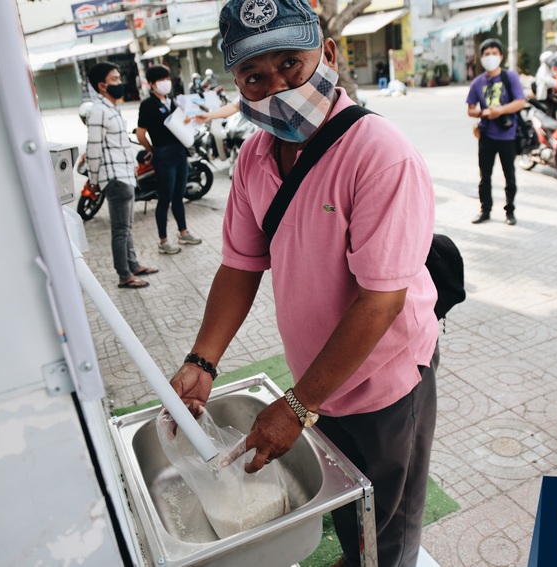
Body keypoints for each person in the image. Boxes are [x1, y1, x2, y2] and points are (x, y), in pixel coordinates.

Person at [168, 0, 440, 564]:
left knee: (388, 511)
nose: (279, 86)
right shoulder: (253, 159)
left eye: (292, 63)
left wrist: (296, 405)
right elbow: (241, 264)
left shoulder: (378, 155)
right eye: (255, 76)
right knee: (345, 502)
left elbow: (380, 301)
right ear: (237, 86)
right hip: (318, 379)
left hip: (383, 378)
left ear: (329, 54)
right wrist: (203, 360)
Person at [85, 62, 156, 289]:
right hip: (114, 178)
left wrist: (139, 157)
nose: (119, 83)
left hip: (125, 175)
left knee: (126, 227)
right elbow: (93, 148)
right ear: (102, 85)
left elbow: (118, 144)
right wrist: (94, 181)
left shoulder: (111, 108)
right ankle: (124, 275)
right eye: (114, 79)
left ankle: (133, 265)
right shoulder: (98, 111)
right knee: (120, 230)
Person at [136, 65, 202, 253]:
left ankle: (183, 232)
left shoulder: (171, 101)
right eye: (161, 80)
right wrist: (152, 150)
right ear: (151, 84)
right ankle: (163, 241)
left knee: (178, 196)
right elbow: (141, 134)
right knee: (164, 198)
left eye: (167, 79)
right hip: (163, 155)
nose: (166, 83)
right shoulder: (147, 105)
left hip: (179, 152)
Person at [466, 38, 527, 226]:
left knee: (509, 175)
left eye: (494, 53)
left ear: (501, 56)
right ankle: (485, 210)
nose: (490, 57)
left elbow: (521, 102)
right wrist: (484, 112)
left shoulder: (510, 78)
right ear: (481, 58)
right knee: (485, 176)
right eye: (486, 54)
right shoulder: (477, 83)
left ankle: (510, 211)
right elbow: (470, 109)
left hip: (508, 136)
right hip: (486, 136)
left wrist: (500, 110)